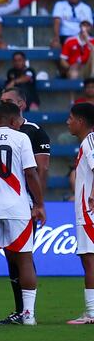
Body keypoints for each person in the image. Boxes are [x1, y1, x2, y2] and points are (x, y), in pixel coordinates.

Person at [0, 102, 45, 326]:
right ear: (15, 121)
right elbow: (31, 174)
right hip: (17, 207)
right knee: (24, 259)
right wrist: (40, 203)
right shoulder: (21, 138)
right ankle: (28, 314)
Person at [0, 87, 51, 325]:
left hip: (24, 203)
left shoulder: (34, 132)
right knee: (11, 256)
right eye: (2, 101)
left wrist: (37, 202)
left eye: (8, 101)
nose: (4, 104)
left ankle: (27, 310)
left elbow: (41, 170)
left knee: (22, 256)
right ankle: (20, 310)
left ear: (21, 104)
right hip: (3, 204)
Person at [67, 102, 94, 324]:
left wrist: (93, 193)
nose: (67, 122)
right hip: (86, 210)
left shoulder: (90, 141)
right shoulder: (87, 142)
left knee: (89, 259)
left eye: (71, 118)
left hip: (89, 212)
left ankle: (92, 312)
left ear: (81, 121)